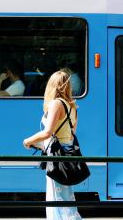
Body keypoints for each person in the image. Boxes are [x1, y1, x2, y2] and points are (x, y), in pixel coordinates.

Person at [23, 70, 82, 220]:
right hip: (67, 154)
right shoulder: (72, 106)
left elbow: (48, 132)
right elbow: (71, 133)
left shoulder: (57, 104)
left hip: (57, 156)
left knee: (56, 196)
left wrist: (28, 141)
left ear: (52, 85)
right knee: (66, 196)